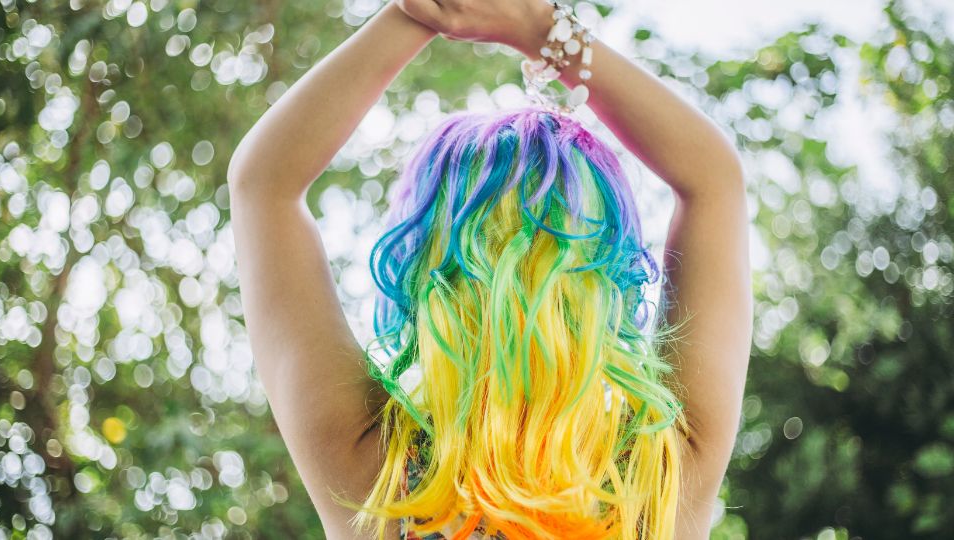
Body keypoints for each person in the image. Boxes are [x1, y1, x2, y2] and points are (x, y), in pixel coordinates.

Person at [226, 0, 753, 539]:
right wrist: (540, 29)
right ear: (599, 265)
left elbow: (262, 186)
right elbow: (714, 179)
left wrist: (420, 11)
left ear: (427, 268)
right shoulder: (660, 473)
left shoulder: (376, 473)